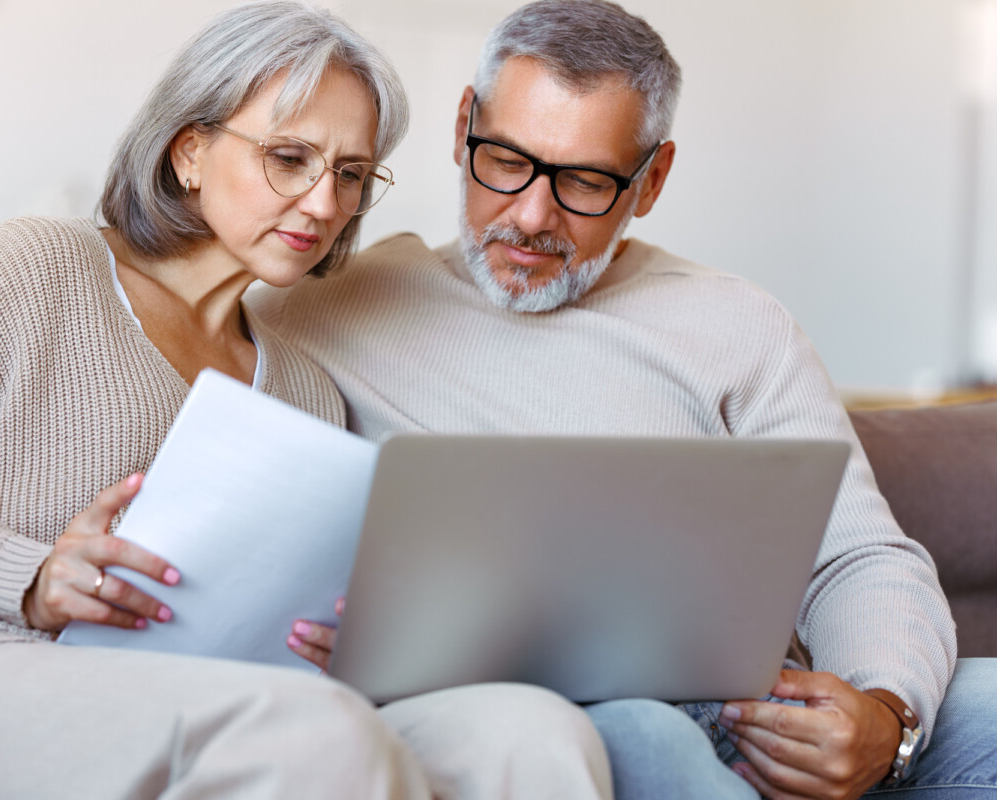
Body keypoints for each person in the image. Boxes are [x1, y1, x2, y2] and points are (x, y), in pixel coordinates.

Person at [0, 3, 615, 799]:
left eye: (352, 174)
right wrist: (29, 576)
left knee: (534, 733)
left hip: (205, 697)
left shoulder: (304, 388)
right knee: (314, 731)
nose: (326, 204)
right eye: (289, 158)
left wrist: (346, 641)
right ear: (191, 151)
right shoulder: (37, 267)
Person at [248, 1, 997, 799]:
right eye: (505, 160)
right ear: (464, 125)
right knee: (643, 735)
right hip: (571, 722)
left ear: (653, 179)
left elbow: (859, 555)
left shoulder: (740, 325)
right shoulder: (325, 310)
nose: (532, 217)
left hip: (759, 710)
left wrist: (887, 717)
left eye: (584, 182)